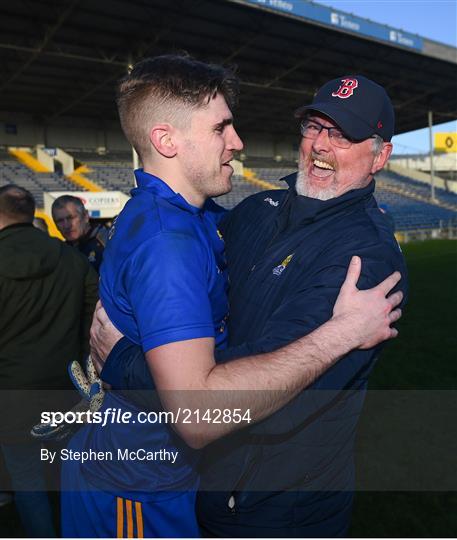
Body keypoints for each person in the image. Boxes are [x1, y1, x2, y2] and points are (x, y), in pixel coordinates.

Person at [61, 57, 403, 538]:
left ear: (380, 156)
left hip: (278, 507)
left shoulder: (366, 260)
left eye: (343, 135)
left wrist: (122, 359)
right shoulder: (256, 209)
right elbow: (172, 243)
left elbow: (235, 398)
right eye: (314, 126)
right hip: (197, 481)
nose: (321, 145)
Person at [0, 185, 98, 537]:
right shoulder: (71, 259)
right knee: (67, 473)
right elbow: (93, 324)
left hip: (11, 394)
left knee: (27, 479)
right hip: (65, 389)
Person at [51, 195, 108, 272]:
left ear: (85, 216)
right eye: (60, 221)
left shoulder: (108, 242)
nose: (67, 225)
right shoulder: (60, 251)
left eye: (71, 218)